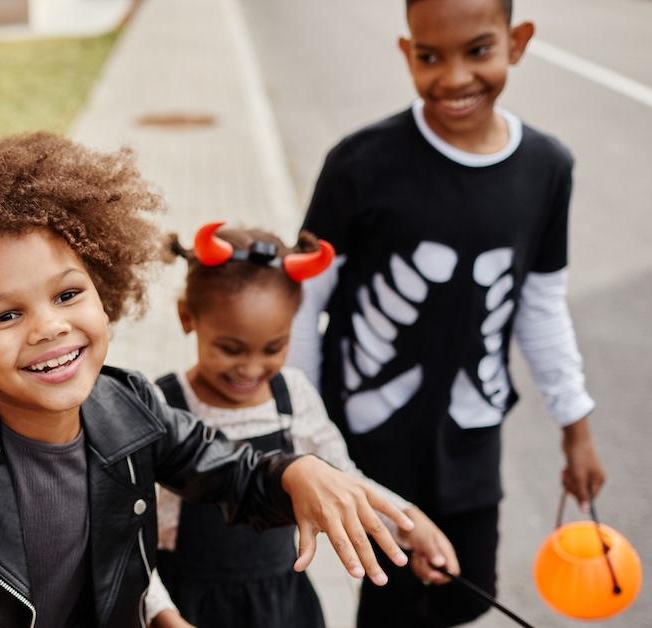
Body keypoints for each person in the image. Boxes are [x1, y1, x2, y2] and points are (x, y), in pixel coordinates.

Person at [0, 132, 418, 628]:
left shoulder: (130, 406)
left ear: (104, 292)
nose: (47, 328)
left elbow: (233, 472)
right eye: (6, 314)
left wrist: (295, 472)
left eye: (67, 294)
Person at [287, 0, 607, 625]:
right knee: (389, 601)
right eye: (430, 57)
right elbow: (303, 304)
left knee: (463, 593)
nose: (455, 78)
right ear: (407, 53)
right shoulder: (358, 162)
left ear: (518, 42)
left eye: (478, 51)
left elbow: (540, 306)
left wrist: (577, 427)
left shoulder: (548, 168)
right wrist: (303, 434)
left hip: (471, 437)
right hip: (367, 438)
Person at [143, 224, 459, 628]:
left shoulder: (292, 396)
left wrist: (411, 523)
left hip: (281, 606)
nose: (252, 368)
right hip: (188, 607)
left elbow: (344, 479)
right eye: (231, 349)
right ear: (188, 317)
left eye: (274, 348)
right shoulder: (162, 406)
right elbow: (129, 538)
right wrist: (160, 615)